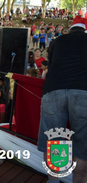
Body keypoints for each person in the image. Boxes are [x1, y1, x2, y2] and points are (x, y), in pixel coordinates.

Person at [37, 16, 87, 183]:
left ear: (71, 28)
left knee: (55, 139)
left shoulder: (58, 41)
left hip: (54, 90)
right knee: (82, 146)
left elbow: (51, 65)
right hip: (83, 91)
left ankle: (53, 181)